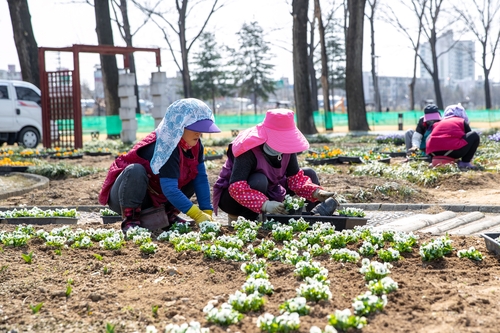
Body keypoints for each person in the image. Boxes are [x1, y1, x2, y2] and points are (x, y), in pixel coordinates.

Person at [98, 98, 221, 233]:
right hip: (126, 196)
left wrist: (206, 210)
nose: (199, 133)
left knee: (193, 174)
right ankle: (131, 220)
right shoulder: (166, 144)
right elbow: (170, 189)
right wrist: (197, 215)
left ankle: (168, 217)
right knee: (136, 170)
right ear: (179, 125)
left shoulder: (195, 145)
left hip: (157, 199)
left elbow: (201, 179)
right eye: (195, 128)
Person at [212, 108, 338, 222]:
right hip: (233, 198)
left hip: (271, 190)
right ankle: (249, 220)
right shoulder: (248, 148)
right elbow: (236, 188)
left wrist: (315, 192)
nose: (284, 143)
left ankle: (314, 219)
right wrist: (265, 205)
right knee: (259, 180)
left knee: (309, 173)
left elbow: (295, 180)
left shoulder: (287, 149)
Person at [426, 103, 480, 170]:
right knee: (474, 135)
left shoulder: (438, 123)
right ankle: (465, 162)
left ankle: (433, 161)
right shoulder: (461, 121)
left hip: (433, 152)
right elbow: (469, 139)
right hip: (452, 151)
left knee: (430, 137)